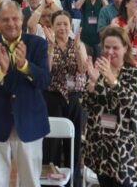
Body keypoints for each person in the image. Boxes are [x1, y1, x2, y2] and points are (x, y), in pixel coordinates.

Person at [0, 1, 50, 186]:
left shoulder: (38, 44)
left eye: (15, 19)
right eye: (5, 19)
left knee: (30, 180)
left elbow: (45, 81)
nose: (11, 24)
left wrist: (24, 66)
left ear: (22, 19)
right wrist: (0, 71)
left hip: (30, 121)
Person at [82, 26, 137, 186]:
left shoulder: (134, 73)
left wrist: (111, 79)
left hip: (122, 143)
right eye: (107, 47)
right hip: (99, 141)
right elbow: (86, 104)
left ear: (125, 48)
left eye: (115, 48)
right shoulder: (98, 70)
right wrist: (91, 83)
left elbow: (129, 102)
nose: (110, 51)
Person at [42, 11, 88, 186]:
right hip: (53, 97)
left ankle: (73, 181)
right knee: (52, 142)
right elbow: (46, 71)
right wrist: (52, 48)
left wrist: (77, 49)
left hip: (74, 97)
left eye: (65, 24)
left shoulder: (78, 44)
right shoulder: (46, 45)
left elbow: (83, 69)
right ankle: (50, 180)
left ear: (71, 26)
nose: (62, 28)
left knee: (74, 141)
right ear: (52, 27)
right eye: (58, 24)